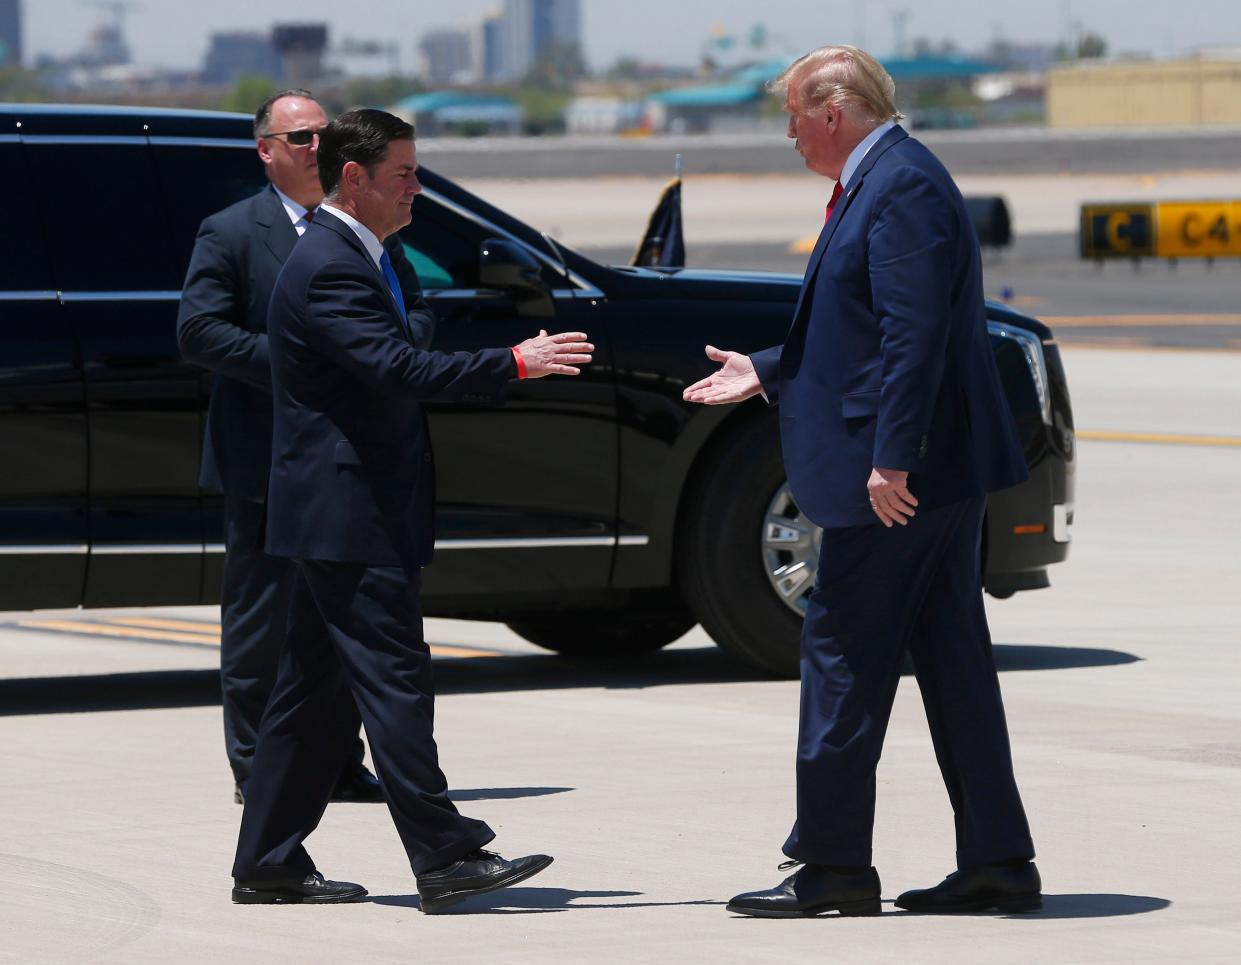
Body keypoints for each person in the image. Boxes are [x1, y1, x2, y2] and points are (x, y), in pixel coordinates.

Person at [683, 45, 1041, 918]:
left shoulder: (903, 186)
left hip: (900, 478)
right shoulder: (885, 180)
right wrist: (765, 368)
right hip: (927, 469)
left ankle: (833, 864)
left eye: (794, 117)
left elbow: (910, 339)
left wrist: (892, 458)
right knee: (953, 665)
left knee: (840, 655)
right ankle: (997, 858)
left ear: (832, 113)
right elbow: (859, 325)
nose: (790, 134)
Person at [230, 108, 592, 911]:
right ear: (352, 179)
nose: (415, 189)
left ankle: (267, 859)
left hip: (342, 507)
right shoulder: (329, 263)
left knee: (308, 698)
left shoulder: (364, 253)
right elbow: (395, 366)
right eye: (403, 175)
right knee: (394, 681)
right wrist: (516, 362)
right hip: (346, 509)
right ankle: (444, 853)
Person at [178, 89, 432, 805]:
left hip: (350, 460)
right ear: (266, 151)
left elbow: (412, 314)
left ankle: (336, 761)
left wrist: (389, 352)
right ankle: (258, 768)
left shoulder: (367, 229)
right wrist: (303, 358)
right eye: (300, 138)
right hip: (265, 456)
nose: (317, 147)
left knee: (335, 624)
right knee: (263, 621)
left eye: (324, 134)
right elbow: (198, 331)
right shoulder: (230, 231)